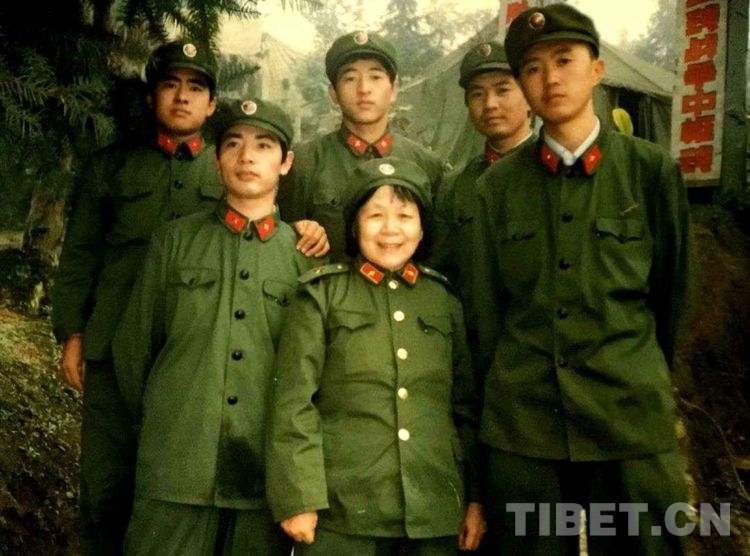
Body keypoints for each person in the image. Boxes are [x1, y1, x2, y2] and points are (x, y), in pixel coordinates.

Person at [51, 40, 328, 554]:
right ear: (151, 95)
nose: (247, 157)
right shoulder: (116, 167)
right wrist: (72, 329)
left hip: (227, 396)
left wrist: (310, 232)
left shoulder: (256, 198)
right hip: (130, 358)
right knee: (107, 494)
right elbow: (81, 252)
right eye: (170, 85)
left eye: (196, 87)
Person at [471, 4, 693, 555]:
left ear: (597, 69)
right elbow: (487, 314)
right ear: (523, 87)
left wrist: (639, 380)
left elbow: (672, 301)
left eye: (565, 60)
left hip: (628, 422)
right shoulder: (497, 188)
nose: (550, 78)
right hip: (526, 428)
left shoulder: (650, 173)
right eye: (533, 68)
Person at [112, 97, 320, 555]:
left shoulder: (304, 258)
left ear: (286, 163)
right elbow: (133, 352)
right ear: (217, 159)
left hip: (262, 481)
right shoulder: (174, 241)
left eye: (264, 145)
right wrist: (168, 430)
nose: (247, 157)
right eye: (233, 144)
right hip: (174, 472)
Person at [266, 157, 485, 555]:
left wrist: (474, 498)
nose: (390, 229)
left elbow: (465, 408)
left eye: (404, 216)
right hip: (344, 512)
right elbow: (294, 403)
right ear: (354, 226)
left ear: (422, 228)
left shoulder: (442, 299)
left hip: (434, 509)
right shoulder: (322, 295)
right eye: (376, 216)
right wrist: (300, 497)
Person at [277, 30, 446, 262]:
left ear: (394, 90)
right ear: (333, 93)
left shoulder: (426, 165)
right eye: (350, 78)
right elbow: (283, 242)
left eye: (375, 77)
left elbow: (438, 253)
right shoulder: (304, 163)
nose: (364, 88)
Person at [430, 40, 534, 372]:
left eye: (503, 90)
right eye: (477, 94)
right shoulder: (456, 186)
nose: (490, 104)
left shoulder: (557, 173)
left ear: (529, 96)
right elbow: (442, 278)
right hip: (478, 362)